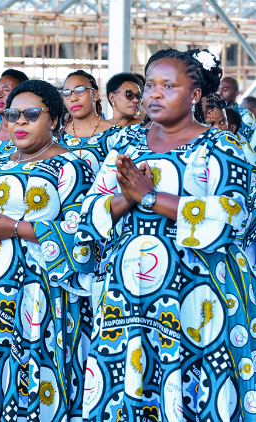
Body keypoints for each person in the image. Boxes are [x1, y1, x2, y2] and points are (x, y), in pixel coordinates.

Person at [78, 48, 256, 421]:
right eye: (150, 86)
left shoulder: (224, 147)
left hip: (198, 297)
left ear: (194, 96)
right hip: (127, 298)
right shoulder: (124, 146)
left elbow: (233, 217)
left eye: (168, 86)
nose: (154, 94)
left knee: (195, 394)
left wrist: (149, 196)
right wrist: (127, 201)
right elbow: (89, 215)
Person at [0, 79, 95, 422]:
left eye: (31, 114)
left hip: (40, 293)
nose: (20, 122)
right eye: (13, 115)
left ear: (54, 120)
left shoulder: (72, 166)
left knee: (34, 378)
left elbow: (80, 235)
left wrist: (13, 229)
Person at [60, 69, 121, 173]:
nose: (73, 98)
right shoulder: (58, 137)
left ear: (95, 94)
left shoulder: (117, 135)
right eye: (66, 93)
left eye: (79, 90)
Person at [219, 76, 255, 143]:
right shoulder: (215, 112)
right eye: (218, 89)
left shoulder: (246, 115)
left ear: (236, 93)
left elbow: (240, 140)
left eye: (225, 90)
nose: (220, 93)